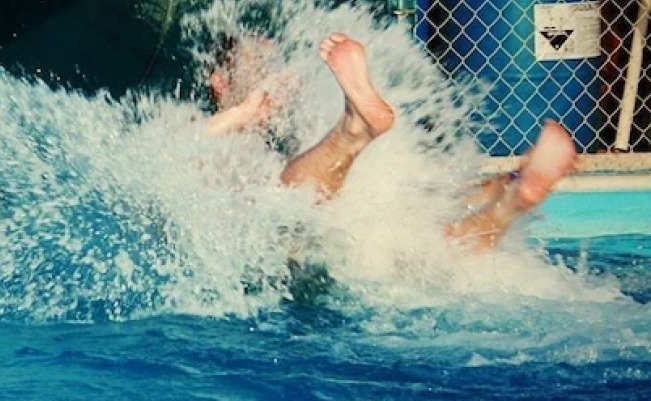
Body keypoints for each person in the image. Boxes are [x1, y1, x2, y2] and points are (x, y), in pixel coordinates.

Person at [206, 31, 577, 249]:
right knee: (287, 192)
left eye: (272, 68)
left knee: (428, 240)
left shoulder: (279, 143)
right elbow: (170, 151)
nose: (271, 79)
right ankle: (354, 131)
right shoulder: (204, 134)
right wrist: (243, 113)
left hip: (318, 250)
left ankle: (510, 194)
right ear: (219, 82)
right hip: (276, 237)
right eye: (256, 67)